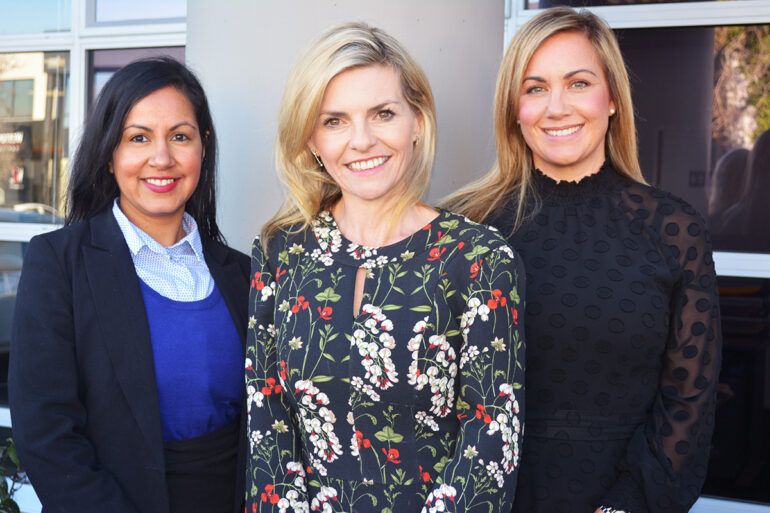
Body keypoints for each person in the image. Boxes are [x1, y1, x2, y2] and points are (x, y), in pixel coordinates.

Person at [443, 7, 721, 513]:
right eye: (534, 88)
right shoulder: (463, 228)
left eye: (578, 83)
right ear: (513, 109)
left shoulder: (673, 230)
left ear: (611, 98)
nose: (556, 108)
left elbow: (689, 402)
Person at [246, 22, 525, 513]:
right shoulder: (279, 253)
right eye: (334, 120)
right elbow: (267, 422)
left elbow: (490, 439)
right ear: (311, 139)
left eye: (383, 113)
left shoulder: (479, 259)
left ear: (417, 121)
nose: (362, 140)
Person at [9, 57, 250, 513]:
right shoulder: (59, 263)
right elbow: (46, 434)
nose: (162, 158)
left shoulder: (243, 273)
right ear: (109, 154)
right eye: (138, 138)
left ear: (203, 147)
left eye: (180, 136)